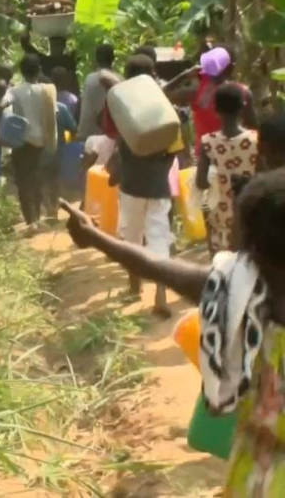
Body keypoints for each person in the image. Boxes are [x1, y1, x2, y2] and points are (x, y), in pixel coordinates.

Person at [59, 169, 285, 498]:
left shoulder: (241, 294)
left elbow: (154, 266)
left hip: (256, 481)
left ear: (254, 249)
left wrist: (94, 236)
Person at [103, 55, 176, 318]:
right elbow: (174, 148)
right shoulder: (164, 104)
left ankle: (134, 286)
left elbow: (110, 131)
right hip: (159, 183)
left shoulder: (122, 105)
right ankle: (161, 293)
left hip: (132, 182)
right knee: (159, 237)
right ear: (153, 73)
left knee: (132, 237)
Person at [196, 84, 259, 254]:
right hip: (253, 215)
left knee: (224, 267)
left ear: (215, 110)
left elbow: (201, 183)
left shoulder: (208, 142)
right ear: (242, 108)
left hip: (222, 217)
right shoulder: (257, 140)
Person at [10, 54, 56, 228]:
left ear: (21, 71)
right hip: (42, 141)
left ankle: (30, 220)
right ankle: (38, 214)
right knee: (37, 177)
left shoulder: (15, 91)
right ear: (39, 70)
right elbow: (54, 114)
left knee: (23, 180)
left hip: (22, 141)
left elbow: (3, 104)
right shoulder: (47, 90)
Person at [77, 44, 120, 140]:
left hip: (89, 135)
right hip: (113, 137)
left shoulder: (89, 79)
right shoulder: (120, 80)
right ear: (113, 59)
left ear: (96, 60)